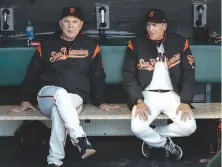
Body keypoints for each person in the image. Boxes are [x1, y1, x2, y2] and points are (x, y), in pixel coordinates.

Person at [10, 7, 119, 167]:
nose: (70, 26)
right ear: (60, 24)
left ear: (81, 24)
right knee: (60, 94)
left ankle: (54, 161)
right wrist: (26, 99)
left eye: (75, 22)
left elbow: (98, 76)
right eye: (66, 21)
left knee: (59, 111)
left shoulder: (90, 46)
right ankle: (80, 138)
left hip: (74, 98)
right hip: (47, 95)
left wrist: (100, 100)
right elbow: (32, 73)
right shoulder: (47, 45)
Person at [122, 8, 197, 160]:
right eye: (149, 25)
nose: (151, 29)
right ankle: (164, 143)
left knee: (189, 127)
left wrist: (185, 101)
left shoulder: (180, 43)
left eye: (155, 25)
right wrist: (138, 100)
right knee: (137, 127)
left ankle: (153, 136)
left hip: (172, 94)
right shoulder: (135, 44)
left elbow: (189, 73)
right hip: (147, 95)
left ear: (165, 26)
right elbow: (128, 75)